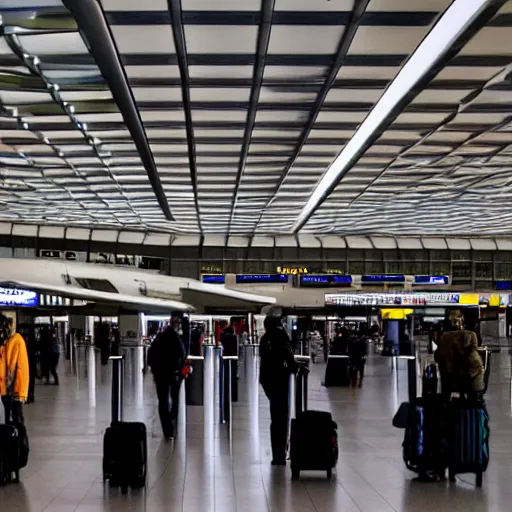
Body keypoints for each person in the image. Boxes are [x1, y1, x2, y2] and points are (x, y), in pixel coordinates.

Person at [259, 316, 297, 465]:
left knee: (275, 420)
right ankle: (281, 454)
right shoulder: (281, 336)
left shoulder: (265, 338)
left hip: (269, 382)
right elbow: (289, 356)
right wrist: (294, 367)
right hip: (281, 380)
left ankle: (276, 455)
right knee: (282, 418)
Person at [147, 312, 186, 440]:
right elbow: (179, 355)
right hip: (172, 373)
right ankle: (172, 423)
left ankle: (168, 429)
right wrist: (179, 370)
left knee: (163, 401)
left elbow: (150, 355)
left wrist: (154, 370)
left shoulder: (160, 337)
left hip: (160, 374)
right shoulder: (175, 338)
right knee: (174, 399)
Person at [0, 315, 29, 424]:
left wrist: (18, 392)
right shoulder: (5, 343)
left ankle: (21, 441)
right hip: (6, 390)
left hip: (14, 390)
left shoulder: (16, 340)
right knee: (9, 420)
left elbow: (19, 368)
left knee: (17, 419)